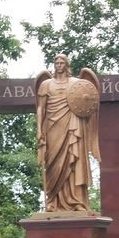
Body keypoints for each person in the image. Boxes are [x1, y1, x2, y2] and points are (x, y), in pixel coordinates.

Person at [34, 54, 101, 212]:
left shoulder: (77, 83)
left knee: (73, 162)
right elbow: (41, 108)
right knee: (53, 163)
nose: (59, 65)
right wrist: (39, 130)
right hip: (52, 126)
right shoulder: (46, 84)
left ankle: (76, 201)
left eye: (62, 62)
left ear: (67, 65)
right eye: (56, 62)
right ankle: (52, 202)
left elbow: (88, 103)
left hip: (72, 126)